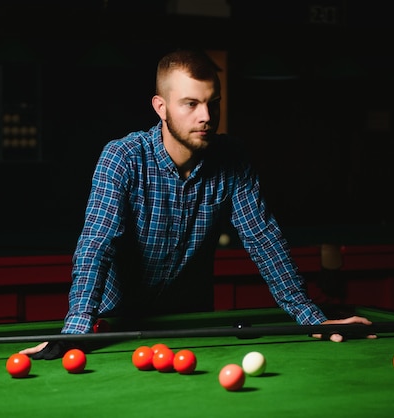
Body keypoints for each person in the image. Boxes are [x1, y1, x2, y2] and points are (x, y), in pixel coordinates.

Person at [21, 49, 375, 360]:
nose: (206, 115)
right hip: (116, 323)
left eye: (213, 102)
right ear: (161, 107)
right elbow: (97, 244)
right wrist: (77, 328)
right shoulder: (123, 157)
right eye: (191, 104)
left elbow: (263, 239)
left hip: (191, 322)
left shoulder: (233, 159)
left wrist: (311, 318)